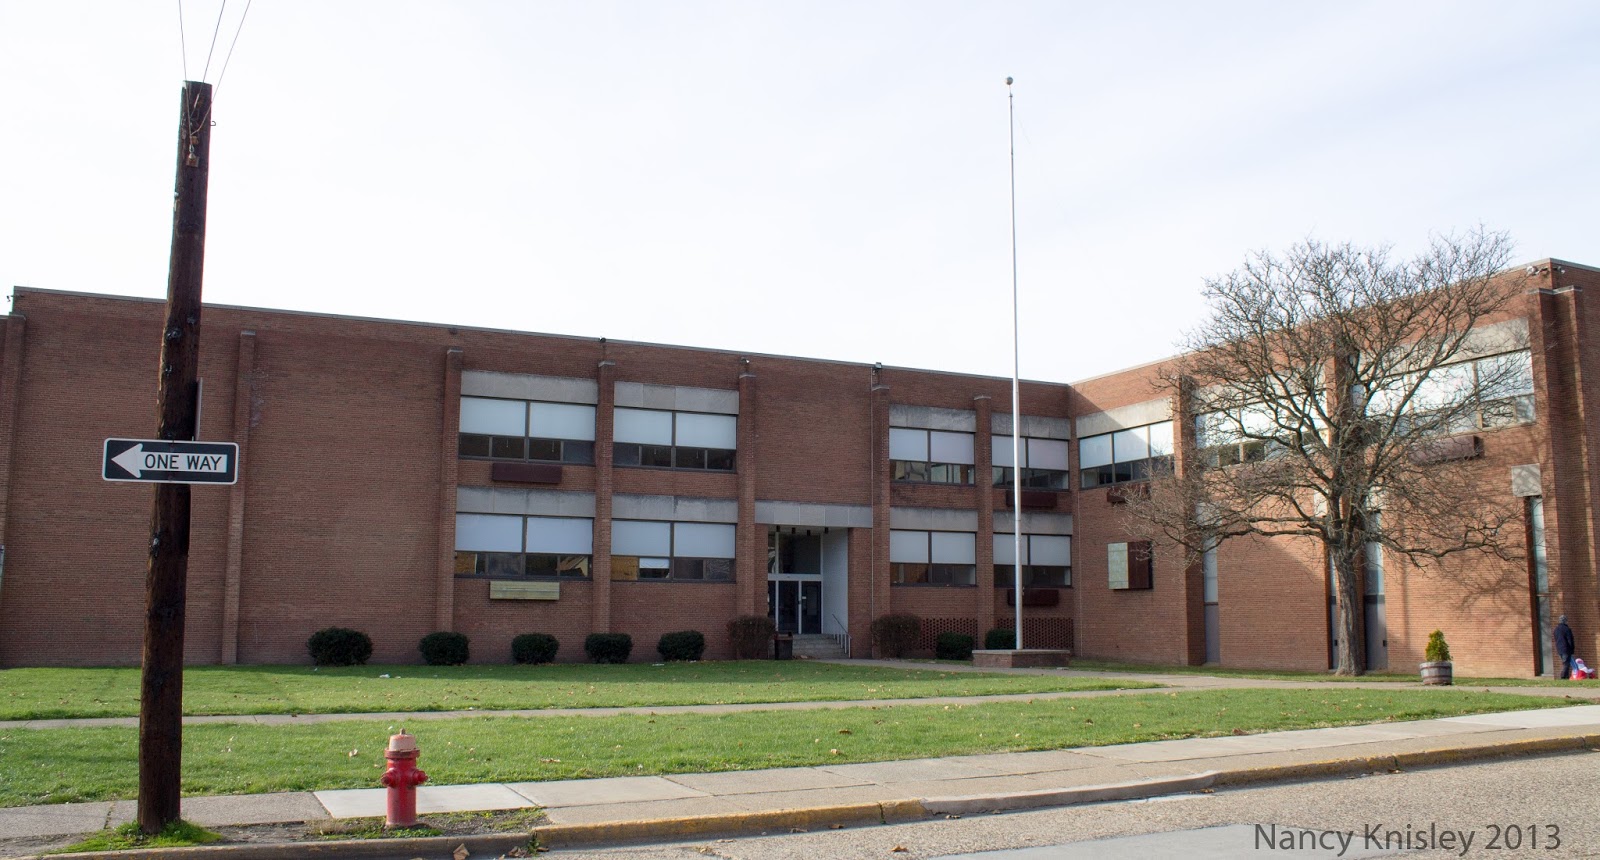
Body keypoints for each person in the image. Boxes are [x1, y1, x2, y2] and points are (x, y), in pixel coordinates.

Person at [1554, 615, 1576, 680]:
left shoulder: (1556, 629)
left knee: (1564, 662)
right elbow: (1570, 640)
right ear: (1565, 621)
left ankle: (1566, 677)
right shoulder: (1567, 629)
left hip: (1559, 649)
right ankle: (1563, 676)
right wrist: (1572, 649)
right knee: (1566, 663)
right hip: (1566, 649)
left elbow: (1556, 639)